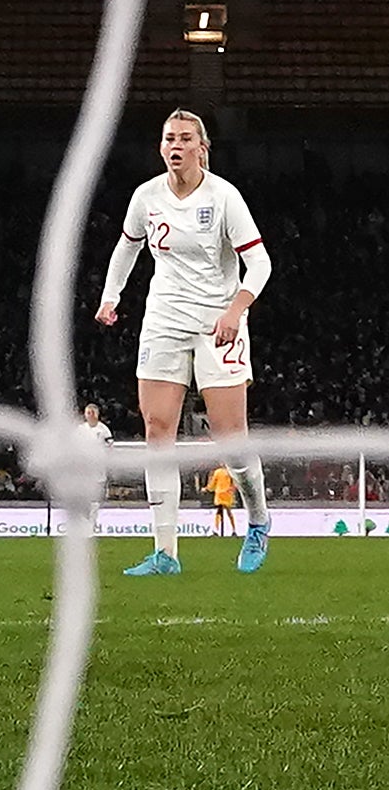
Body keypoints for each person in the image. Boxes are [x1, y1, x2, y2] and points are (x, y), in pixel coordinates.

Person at [95, 108, 273, 576]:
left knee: (230, 438)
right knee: (157, 432)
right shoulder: (146, 196)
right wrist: (111, 295)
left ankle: (258, 519)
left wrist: (237, 309)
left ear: (202, 148)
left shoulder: (224, 198)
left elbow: (261, 265)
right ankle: (165, 553)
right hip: (164, 319)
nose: (176, 146)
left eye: (185, 139)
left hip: (218, 321)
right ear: (161, 147)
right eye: (169, 138)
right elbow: (128, 244)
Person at [77, 403, 113, 532]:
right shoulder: (80, 429)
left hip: (98, 467)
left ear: (97, 414)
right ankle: (82, 521)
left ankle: (92, 522)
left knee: (95, 495)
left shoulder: (103, 430)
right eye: (88, 412)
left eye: (93, 412)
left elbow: (110, 447)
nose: (90, 415)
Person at [208, 462, 237, 537]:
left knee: (225, 512)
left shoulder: (229, 471)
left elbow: (234, 483)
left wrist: (208, 488)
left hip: (224, 493)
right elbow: (213, 483)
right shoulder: (220, 472)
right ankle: (218, 530)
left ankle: (232, 530)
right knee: (222, 511)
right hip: (222, 493)